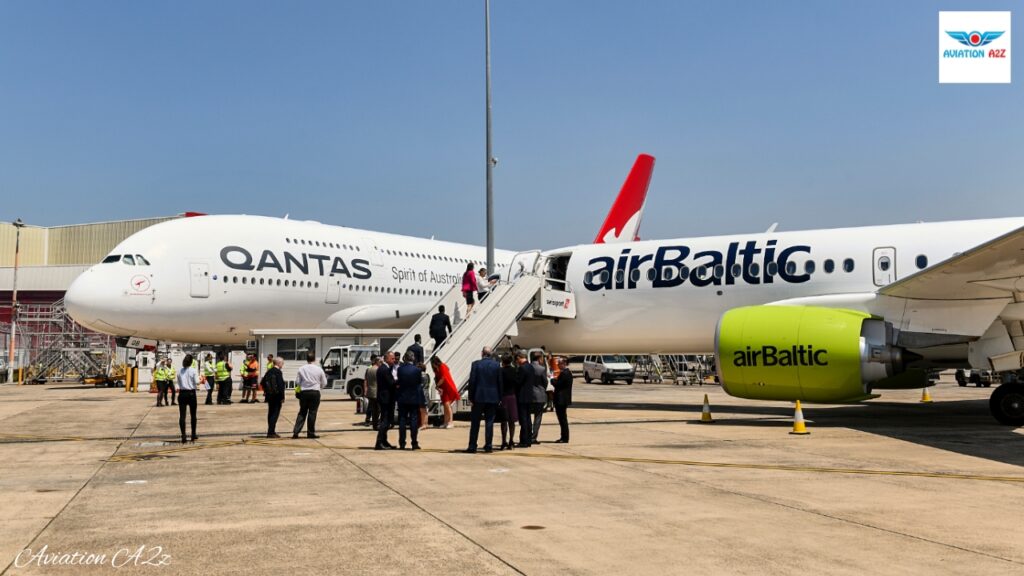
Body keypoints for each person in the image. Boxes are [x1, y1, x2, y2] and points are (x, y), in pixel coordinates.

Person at [464, 347, 502, 453]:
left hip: (479, 397)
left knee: (475, 422)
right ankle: (488, 445)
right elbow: (500, 382)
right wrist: (499, 397)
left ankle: (472, 446)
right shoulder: (496, 365)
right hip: (492, 397)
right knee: (489, 422)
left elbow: (472, 382)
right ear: (491, 354)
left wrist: (471, 397)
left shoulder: (476, 364)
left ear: (482, 353)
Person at [292, 351, 326, 439]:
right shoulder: (319, 369)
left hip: (304, 392)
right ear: (314, 359)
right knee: (312, 413)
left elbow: (297, 382)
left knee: (302, 412)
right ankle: (310, 432)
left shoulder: (301, 369)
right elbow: (324, 382)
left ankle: (296, 431)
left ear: (306, 359)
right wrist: (319, 386)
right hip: (315, 392)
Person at [395, 352, 423, 450]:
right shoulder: (417, 370)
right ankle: (414, 443)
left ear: (405, 358)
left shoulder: (400, 369)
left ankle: (402, 443)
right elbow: (419, 383)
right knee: (413, 421)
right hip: (413, 398)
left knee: (402, 420)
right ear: (413, 358)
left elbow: (398, 382)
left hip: (402, 398)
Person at [430, 356, 461, 428]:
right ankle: (446, 422)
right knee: (445, 405)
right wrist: (438, 387)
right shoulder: (436, 369)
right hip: (443, 388)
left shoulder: (442, 366)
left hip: (447, 387)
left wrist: (437, 385)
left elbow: (443, 377)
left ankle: (450, 422)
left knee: (447, 404)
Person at [374, 352, 397, 450]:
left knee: (386, 420)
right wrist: (399, 381)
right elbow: (391, 383)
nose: (394, 360)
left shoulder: (384, 368)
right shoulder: (384, 369)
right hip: (386, 399)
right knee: (385, 421)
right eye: (392, 359)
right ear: (387, 359)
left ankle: (384, 441)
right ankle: (379, 442)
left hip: (385, 398)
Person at [175, 354, 199, 443]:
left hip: (182, 393)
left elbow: (178, 382)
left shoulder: (179, 371)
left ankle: (183, 436)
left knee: (182, 416)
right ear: (192, 362)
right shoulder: (193, 370)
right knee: (193, 415)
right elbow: (197, 381)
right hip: (191, 393)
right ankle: (193, 434)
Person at [261, 356, 286, 438]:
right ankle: (271, 432)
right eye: (282, 363)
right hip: (277, 396)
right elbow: (280, 385)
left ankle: (270, 430)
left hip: (270, 396)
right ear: (278, 363)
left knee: (270, 413)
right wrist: (282, 397)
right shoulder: (278, 372)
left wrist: (267, 391)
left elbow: (262, 382)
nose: (283, 365)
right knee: (275, 414)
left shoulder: (269, 371)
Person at [498, 354, 518, 450]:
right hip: (512, 396)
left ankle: (503, 441)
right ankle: (511, 441)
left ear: (503, 362)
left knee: (504, 421)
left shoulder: (501, 371)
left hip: (504, 397)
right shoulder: (515, 370)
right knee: (512, 421)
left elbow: (500, 384)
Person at [528, 351, 549, 444]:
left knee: (527, 417)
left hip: (529, 395)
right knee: (538, 417)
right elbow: (545, 382)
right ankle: (533, 437)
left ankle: (527, 435)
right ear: (539, 359)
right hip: (540, 396)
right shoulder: (542, 369)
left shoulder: (527, 367)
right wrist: (542, 390)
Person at [551, 357, 573, 443]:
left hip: (561, 400)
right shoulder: (566, 373)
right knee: (563, 419)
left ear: (564, 364)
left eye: (559, 364)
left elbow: (558, 384)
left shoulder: (565, 373)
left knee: (562, 419)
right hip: (563, 399)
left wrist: (552, 379)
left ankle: (564, 437)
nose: (558, 365)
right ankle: (564, 437)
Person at [515, 351, 534, 448]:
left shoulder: (522, 368)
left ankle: (524, 440)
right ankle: (529, 439)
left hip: (522, 397)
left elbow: (518, 382)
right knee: (528, 418)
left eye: (517, 359)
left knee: (523, 420)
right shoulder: (530, 367)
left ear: (519, 357)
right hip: (529, 396)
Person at [364, 355, 379, 429]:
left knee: (371, 406)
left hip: (371, 391)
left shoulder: (370, 368)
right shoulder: (370, 368)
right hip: (374, 391)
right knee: (372, 407)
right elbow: (366, 380)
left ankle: (371, 420)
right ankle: (369, 420)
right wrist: (365, 388)